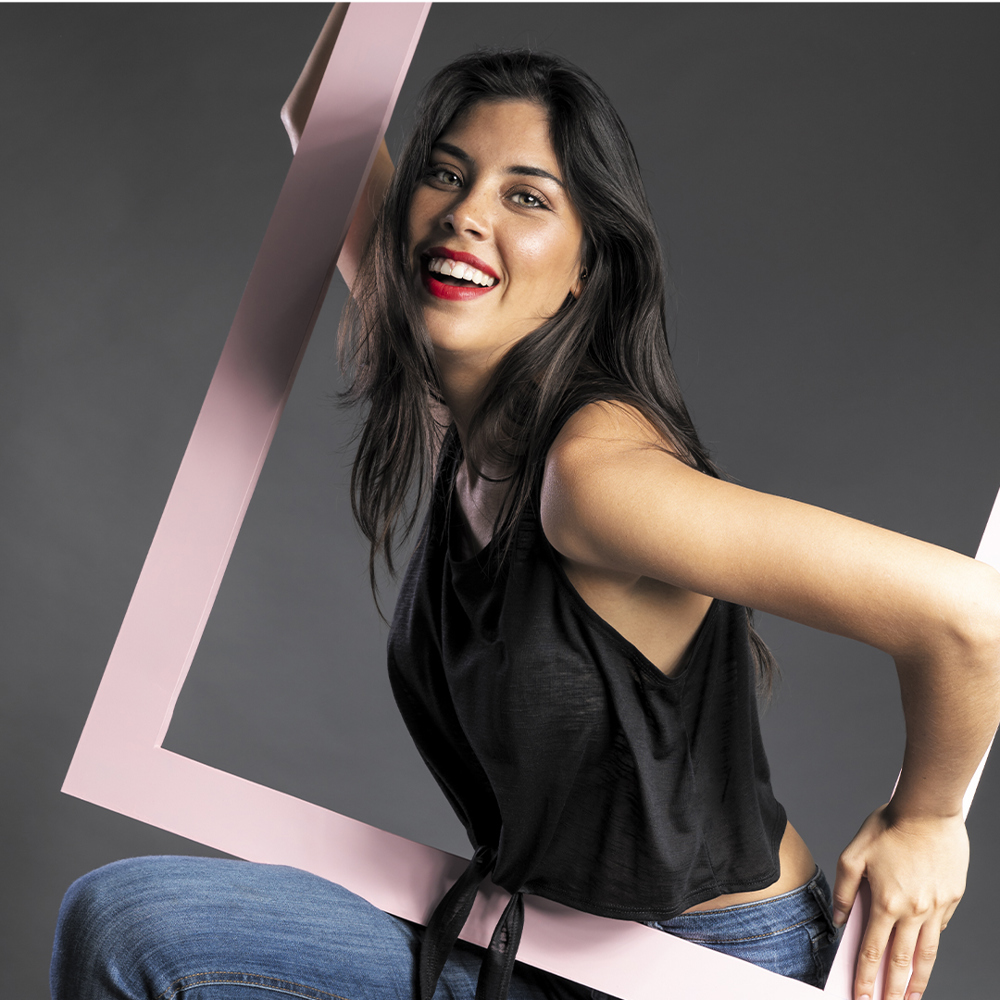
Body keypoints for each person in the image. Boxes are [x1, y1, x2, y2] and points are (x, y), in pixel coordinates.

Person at [51, 8, 1000, 1000]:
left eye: (525, 196)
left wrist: (928, 821)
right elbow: (326, 115)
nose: (467, 214)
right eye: (445, 174)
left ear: (586, 267)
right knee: (129, 923)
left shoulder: (594, 477)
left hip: (706, 968)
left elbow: (966, 614)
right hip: (538, 943)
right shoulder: (463, 413)